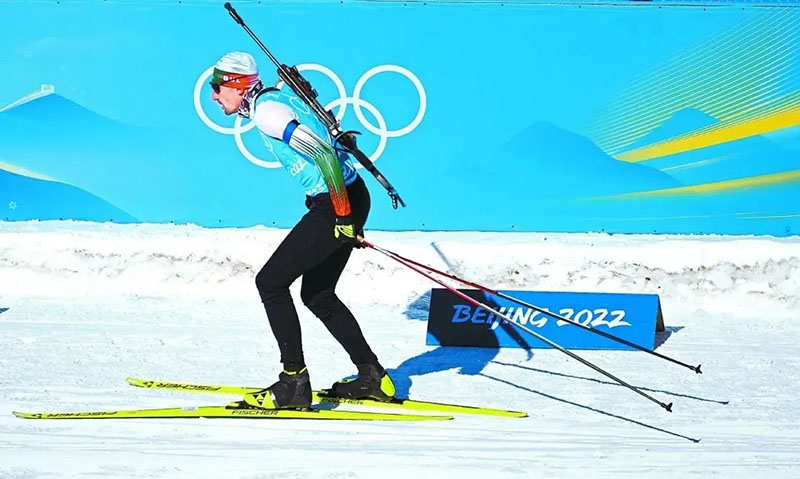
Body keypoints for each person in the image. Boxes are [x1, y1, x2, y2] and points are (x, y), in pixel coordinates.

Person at [209, 51, 395, 409]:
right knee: (318, 294)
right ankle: (373, 376)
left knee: (270, 282)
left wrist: (343, 217)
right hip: (350, 194)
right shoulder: (277, 97)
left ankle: (294, 384)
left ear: (237, 84)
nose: (214, 97)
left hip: (336, 202)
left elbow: (323, 154)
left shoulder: (267, 112)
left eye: (217, 87)